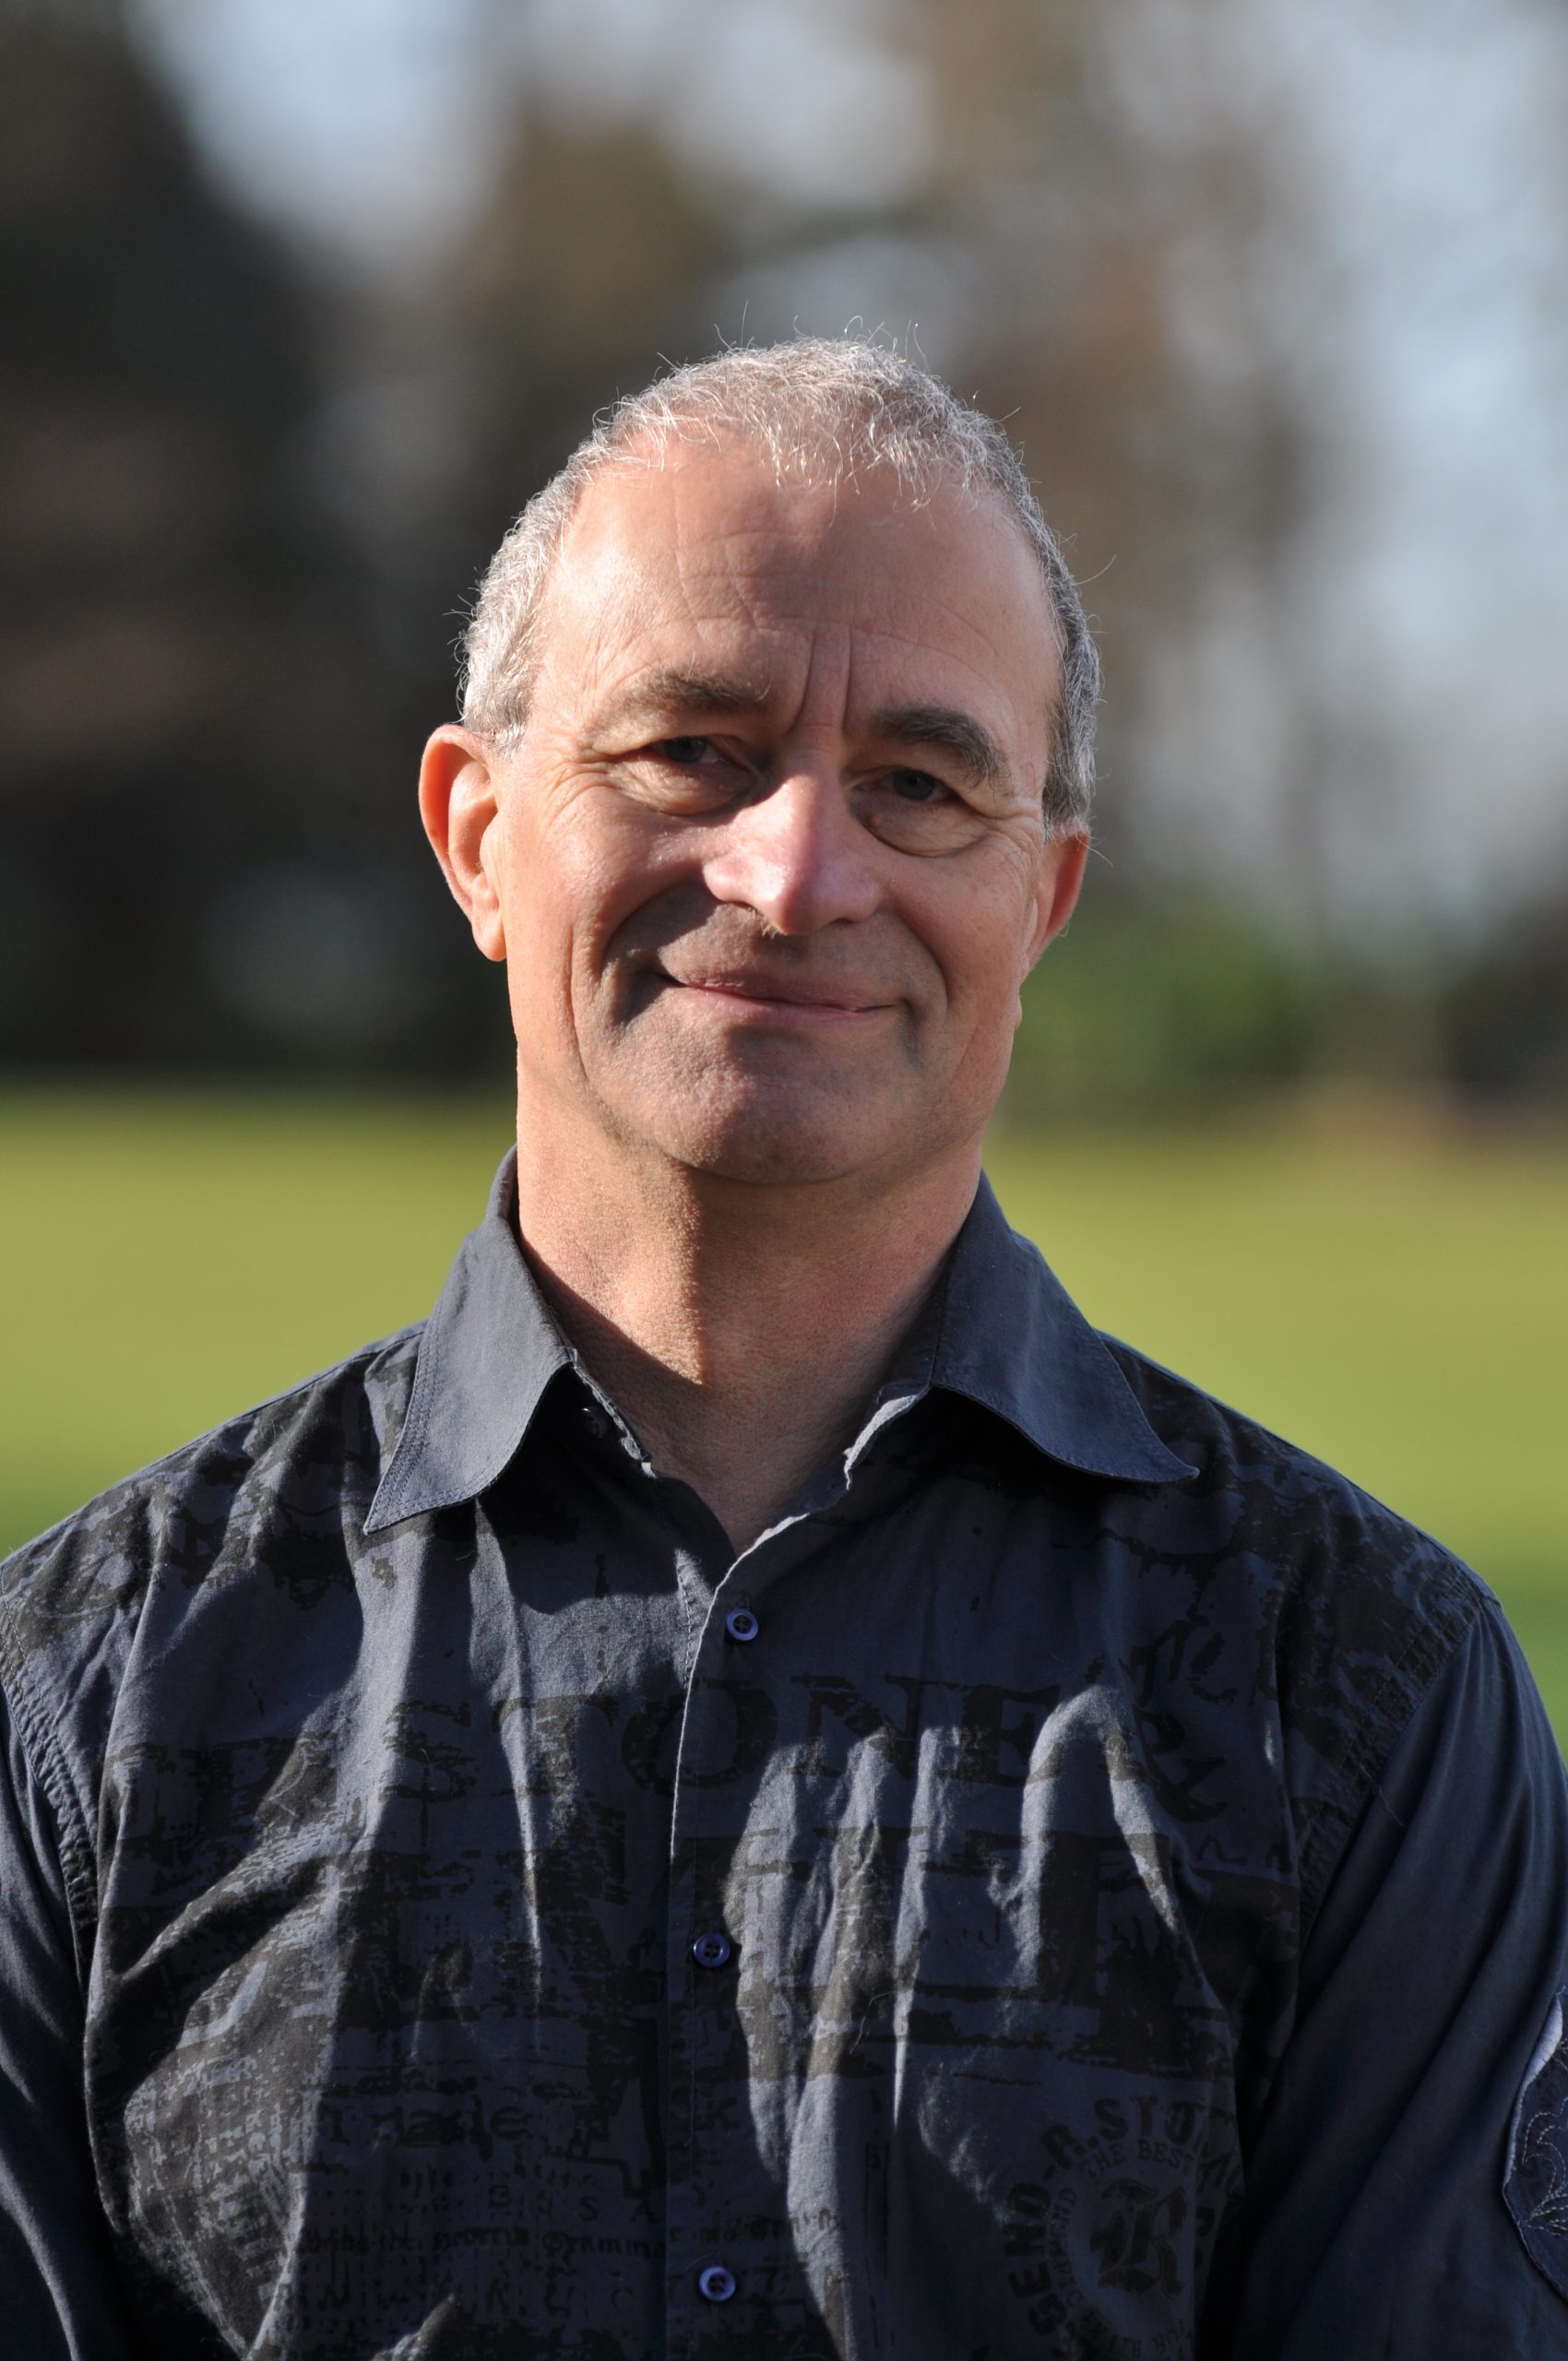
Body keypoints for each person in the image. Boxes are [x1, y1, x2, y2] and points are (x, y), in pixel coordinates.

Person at [2, 338, 1565, 2361]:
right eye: (693, 748)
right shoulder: (90, 1691)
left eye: (920, 783)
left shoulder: (1356, 1683)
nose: (800, 872)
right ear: (477, 832)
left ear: (1041, 896)